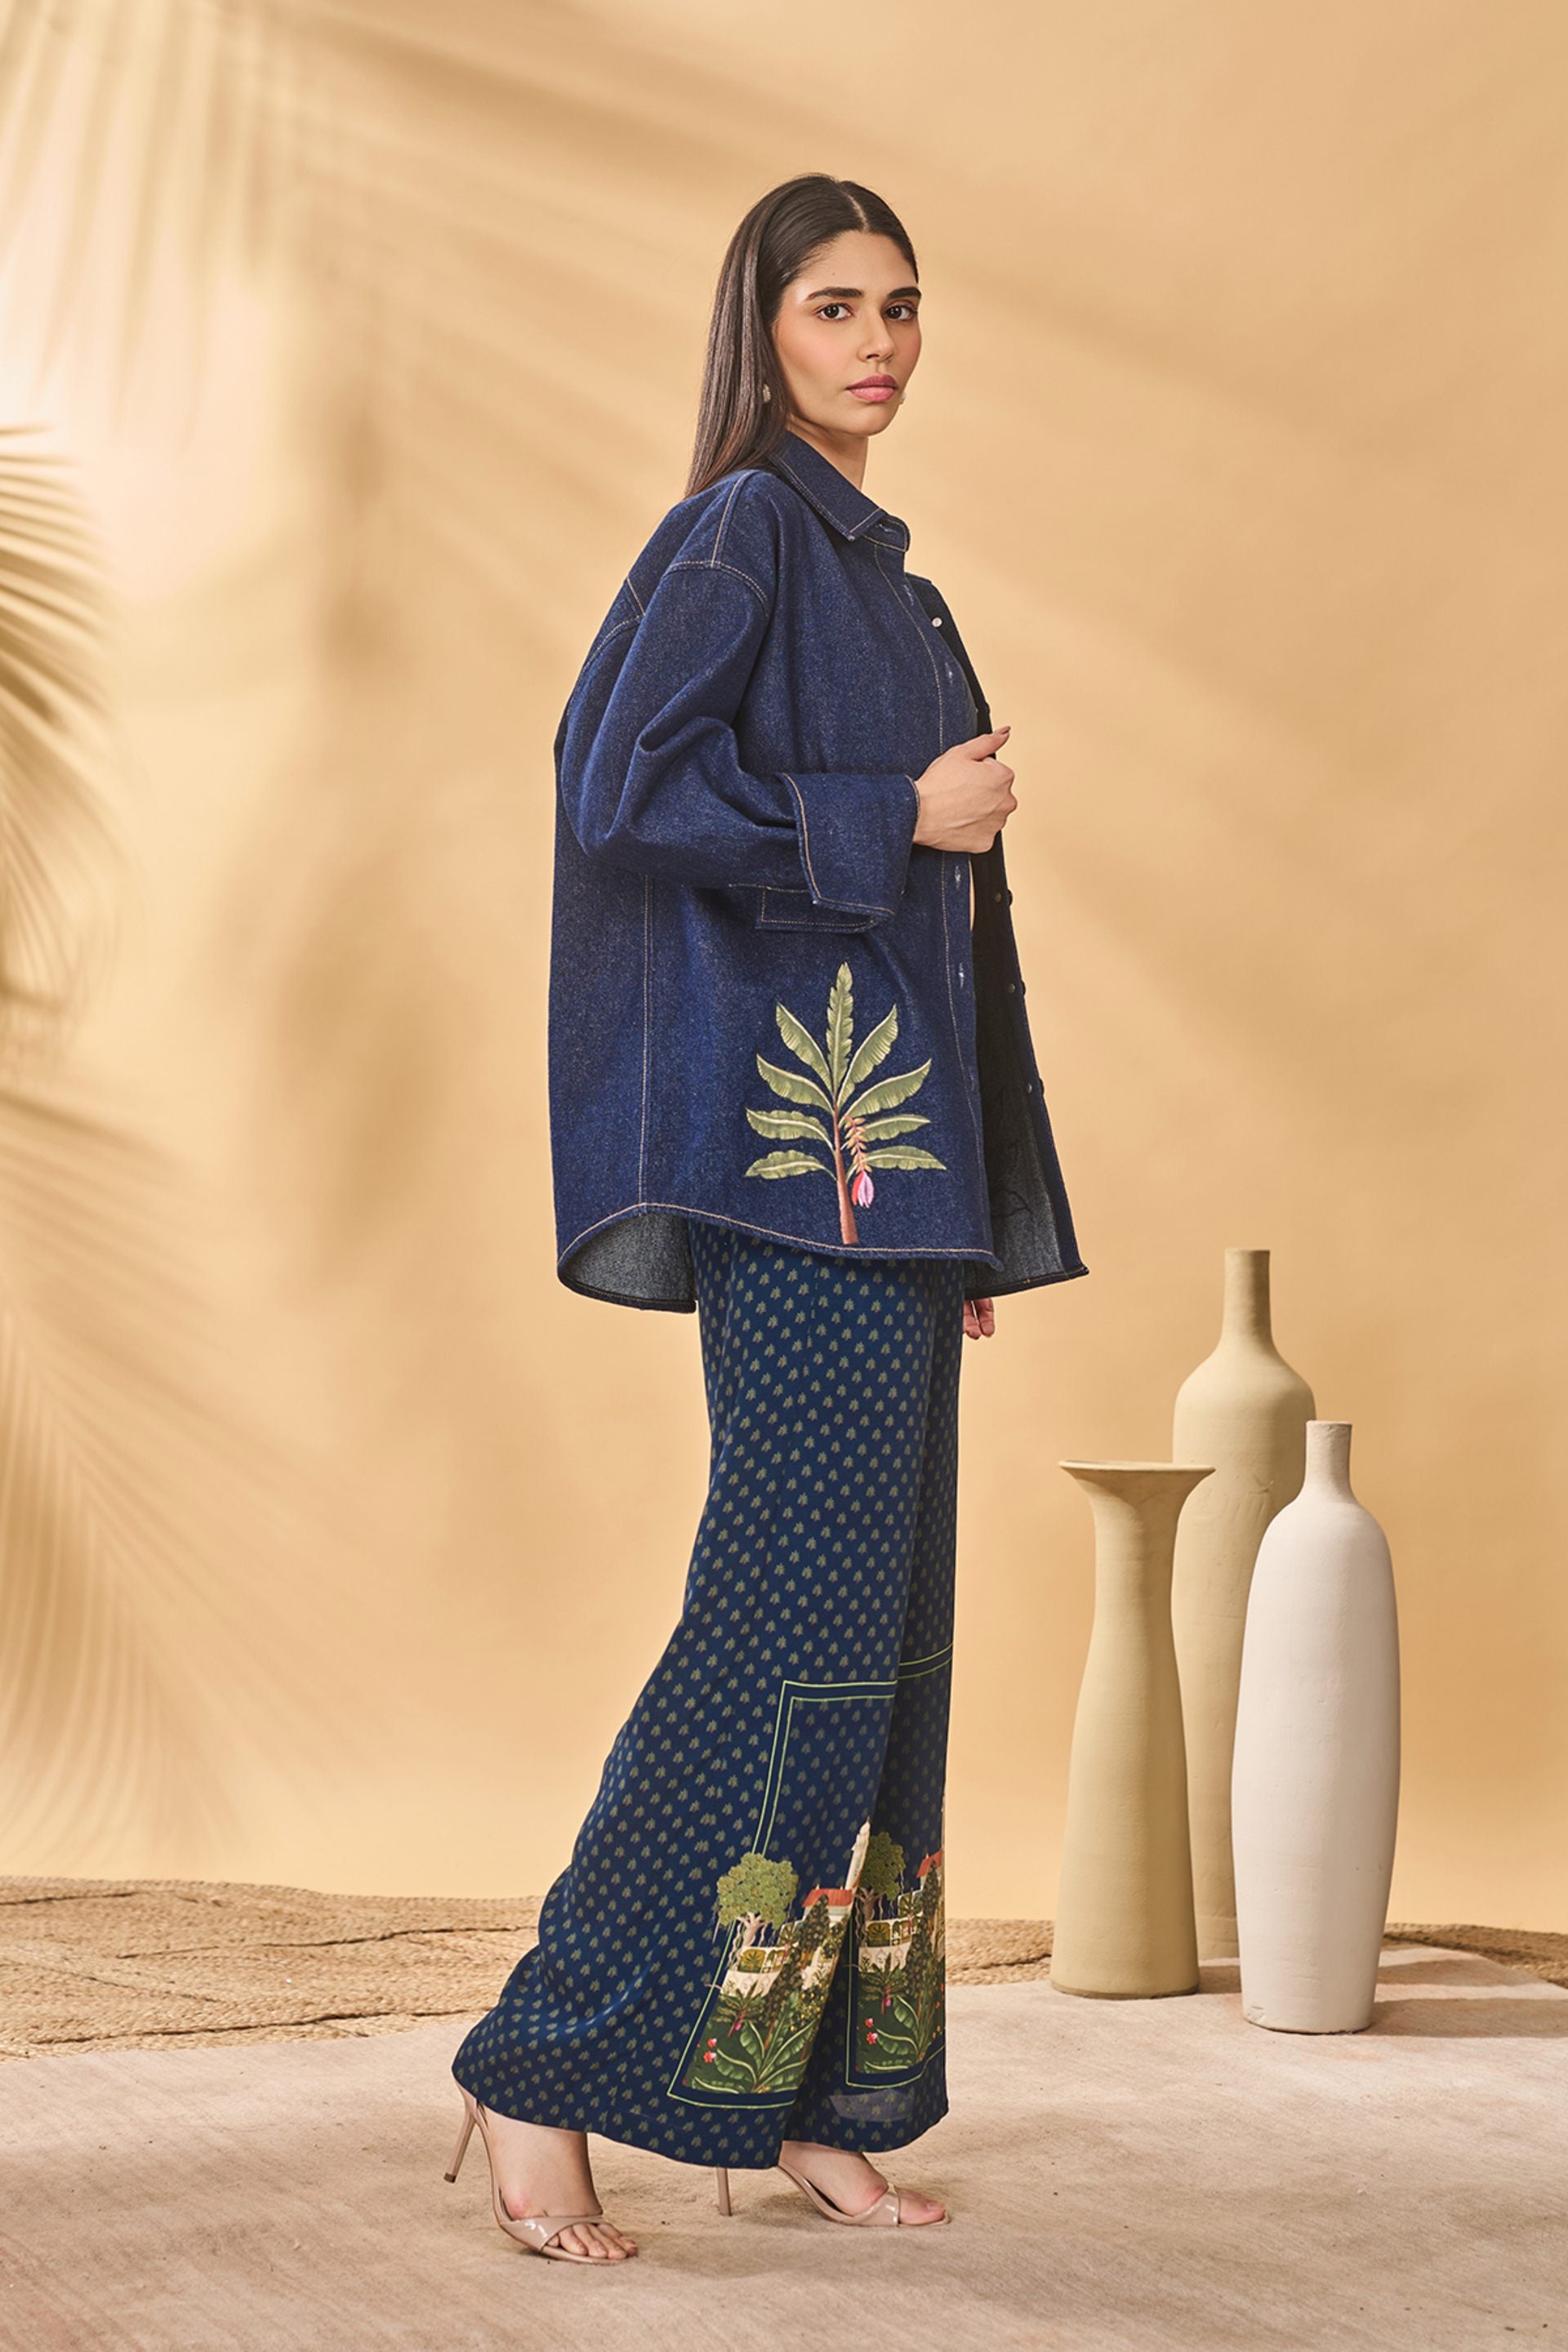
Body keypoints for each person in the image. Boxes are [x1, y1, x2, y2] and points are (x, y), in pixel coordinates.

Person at [443, 172, 1087, 2265]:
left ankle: (798, 2095)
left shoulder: (893, 587)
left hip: (884, 1196)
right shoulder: (740, 533)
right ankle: (541, 2070)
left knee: (885, 1654)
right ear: (764, 327)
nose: (878, 342)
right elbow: (617, 782)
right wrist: (899, 810)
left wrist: (960, 1216)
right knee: (775, 1634)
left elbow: (939, 953)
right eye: (834, 306)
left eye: (901, 306)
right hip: (792, 1183)